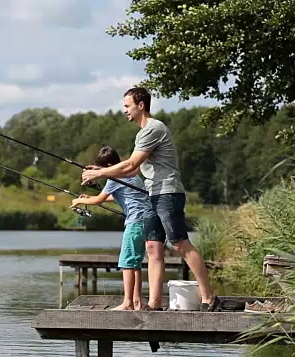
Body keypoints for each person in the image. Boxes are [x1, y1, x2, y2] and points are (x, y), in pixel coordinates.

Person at [80, 87, 221, 312]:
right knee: (153, 247)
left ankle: (209, 297)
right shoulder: (142, 133)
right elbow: (131, 170)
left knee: (179, 243)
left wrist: (99, 174)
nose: (124, 110)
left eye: (127, 106)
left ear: (141, 105)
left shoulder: (153, 129)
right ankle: (154, 304)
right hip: (152, 194)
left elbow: (130, 165)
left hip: (167, 192)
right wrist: (102, 170)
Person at [71, 146, 159, 311]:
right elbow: (117, 195)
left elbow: (99, 200)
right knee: (135, 263)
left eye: (103, 168)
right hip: (146, 221)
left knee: (126, 262)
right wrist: (91, 197)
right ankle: (137, 302)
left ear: (110, 164)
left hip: (134, 223)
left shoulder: (113, 178)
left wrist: (79, 201)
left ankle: (127, 303)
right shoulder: (131, 175)